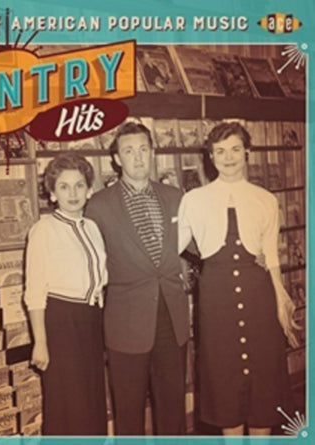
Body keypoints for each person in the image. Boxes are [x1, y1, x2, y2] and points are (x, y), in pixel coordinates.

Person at [178, 122, 299, 436]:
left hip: (259, 298)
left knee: (263, 382)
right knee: (224, 380)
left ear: (247, 152)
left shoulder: (265, 199)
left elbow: (271, 257)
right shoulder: (194, 199)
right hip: (216, 302)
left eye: (235, 149)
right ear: (210, 157)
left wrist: (281, 302)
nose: (228, 157)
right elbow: (172, 246)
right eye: (220, 151)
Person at [86, 122, 190, 435]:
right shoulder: (99, 205)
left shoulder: (176, 196)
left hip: (172, 318)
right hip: (126, 323)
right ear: (117, 159)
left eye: (144, 149)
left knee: (172, 408)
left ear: (152, 152)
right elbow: (88, 260)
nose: (138, 157)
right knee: (129, 412)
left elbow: (199, 243)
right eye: (129, 151)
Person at [24, 153, 108, 435]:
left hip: (91, 321)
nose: (73, 193)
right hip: (61, 323)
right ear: (52, 193)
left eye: (79, 185)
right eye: (64, 186)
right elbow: (35, 291)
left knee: (91, 402)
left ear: (89, 190)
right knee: (68, 405)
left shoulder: (92, 227)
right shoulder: (43, 230)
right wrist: (40, 342)